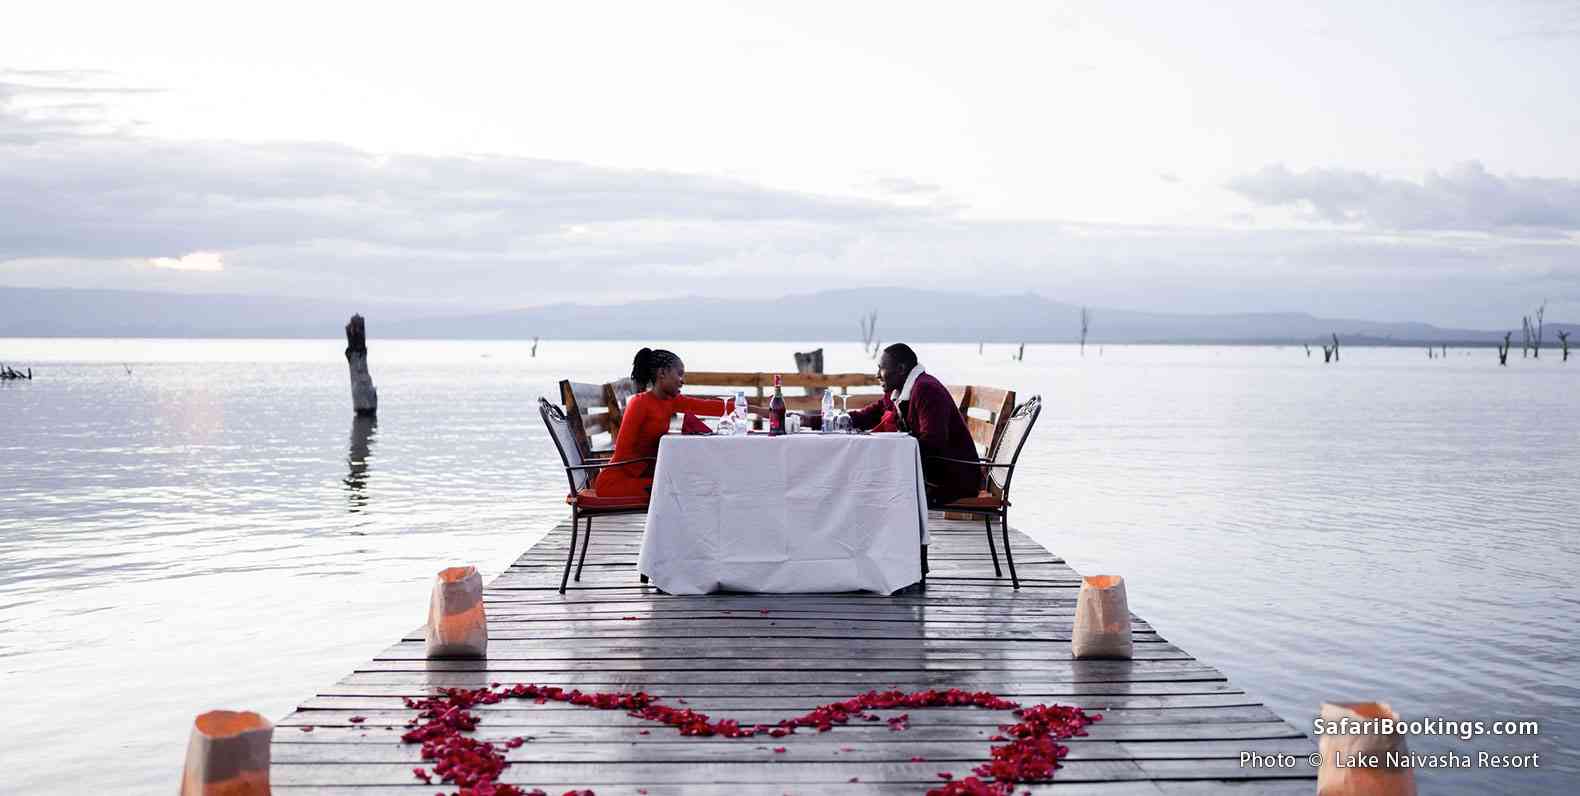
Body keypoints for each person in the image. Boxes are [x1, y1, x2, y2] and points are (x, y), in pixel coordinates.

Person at [593, 348, 744, 498]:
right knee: (685, 489)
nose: (682, 381)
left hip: (642, 476)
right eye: (679, 374)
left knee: (693, 484)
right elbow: (623, 453)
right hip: (617, 482)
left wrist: (756, 409)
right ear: (662, 373)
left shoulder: (670, 401)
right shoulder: (639, 403)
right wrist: (658, 468)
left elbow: (708, 406)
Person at [849, 343, 982, 504]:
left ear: (901, 369)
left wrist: (888, 449)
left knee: (871, 486)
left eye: (882, 368)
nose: (877, 375)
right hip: (930, 473)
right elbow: (870, 415)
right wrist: (824, 419)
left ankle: (889, 528)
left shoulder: (926, 390)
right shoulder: (899, 391)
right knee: (866, 480)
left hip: (953, 479)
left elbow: (933, 442)